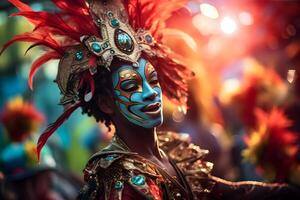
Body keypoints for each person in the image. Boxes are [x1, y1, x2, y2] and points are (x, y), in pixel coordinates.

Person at [2, 0, 300, 199]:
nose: (150, 91)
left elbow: (224, 191)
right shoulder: (117, 178)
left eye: (152, 79)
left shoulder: (171, 150)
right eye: (131, 85)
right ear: (106, 103)